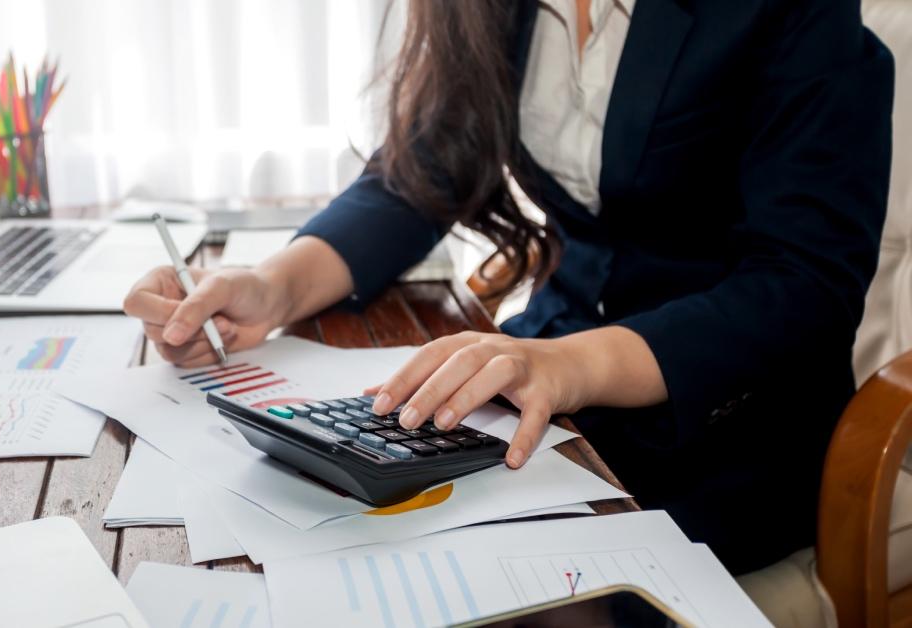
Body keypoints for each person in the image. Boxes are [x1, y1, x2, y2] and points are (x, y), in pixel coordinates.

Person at [124, 0, 893, 575]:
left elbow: (805, 288)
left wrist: (568, 367)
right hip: (542, 390)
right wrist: (271, 287)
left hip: (724, 426)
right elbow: (420, 176)